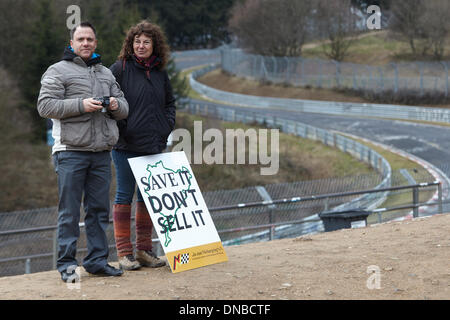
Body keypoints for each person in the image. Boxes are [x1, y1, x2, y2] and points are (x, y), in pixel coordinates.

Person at [37, 22, 129, 282]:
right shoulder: (57, 70)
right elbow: (45, 106)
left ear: (95, 43)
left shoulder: (106, 74)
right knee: (69, 211)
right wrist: (81, 105)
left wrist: (113, 104)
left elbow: (124, 109)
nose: (86, 43)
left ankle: (97, 261)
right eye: (81, 39)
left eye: (90, 39)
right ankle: (67, 265)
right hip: (70, 152)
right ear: (72, 43)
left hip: (101, 152)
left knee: (99, 210)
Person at [109, 20, 176, 271]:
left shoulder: (160, 72)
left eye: (146, 42)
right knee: (124, 196)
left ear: (154, 45)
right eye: (137, 41)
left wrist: (165, 127)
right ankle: (125, 253)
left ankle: (145, 250)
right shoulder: (119, 69)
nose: (141, 45)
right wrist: (122, 130)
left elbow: (170, 103)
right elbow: (108, 104)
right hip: (125, 146)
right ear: (131, 43)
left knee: (148, 199)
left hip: (154, 145)